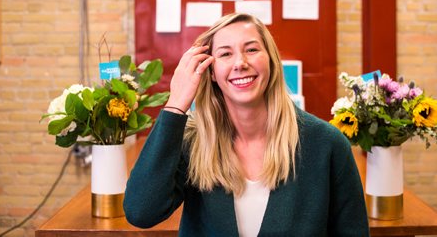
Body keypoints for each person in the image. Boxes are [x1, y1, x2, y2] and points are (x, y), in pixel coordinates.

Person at [124, 13, 370, 236]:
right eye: (225, 54)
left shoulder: (326, 144)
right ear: (211, 72)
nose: (239, 62)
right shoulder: (193, 141)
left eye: (251, 49)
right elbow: (142, 212)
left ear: (271, 60)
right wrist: (176, 102)